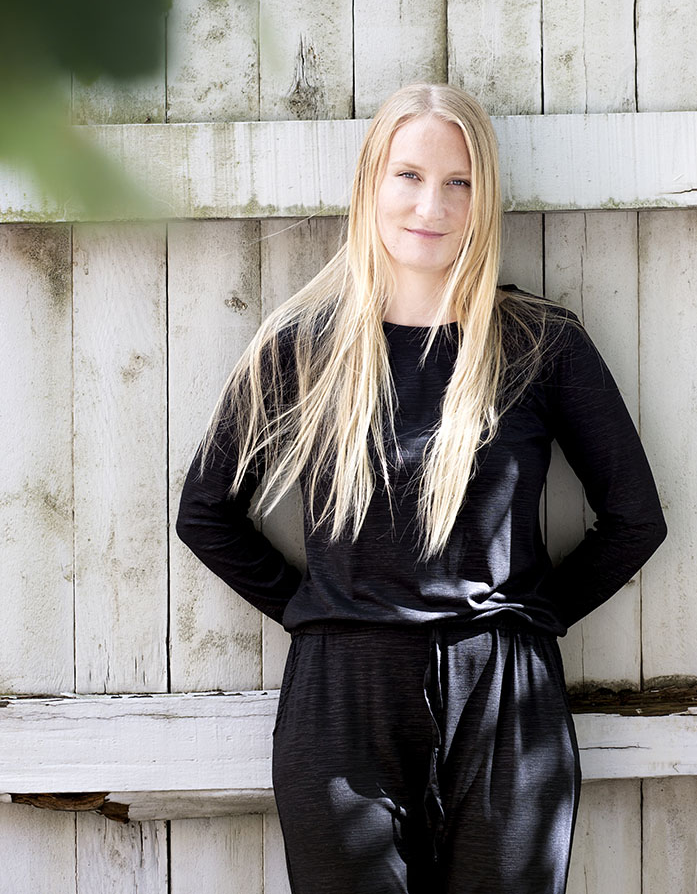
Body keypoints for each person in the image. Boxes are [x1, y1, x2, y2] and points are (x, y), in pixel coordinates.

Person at [175, 82, 668, 894]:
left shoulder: (541, 343)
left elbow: (634, 520)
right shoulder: (300, 347)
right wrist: (320, 608)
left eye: (458, 182)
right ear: (371, 182)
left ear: (484, 198)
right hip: (341, 705)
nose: (431, 205)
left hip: (506, 705)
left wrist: (524, 619)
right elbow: (206, 515)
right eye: (408, 175)